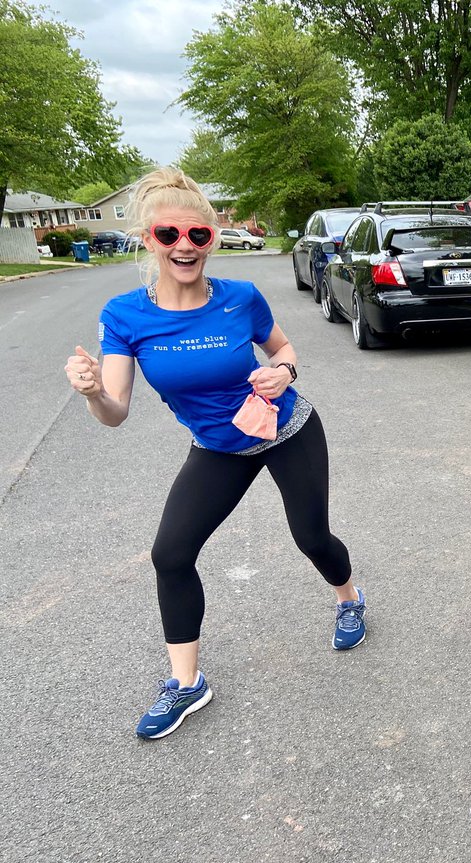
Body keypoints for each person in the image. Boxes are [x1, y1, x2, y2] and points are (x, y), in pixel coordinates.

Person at [63, 167, 366, 741]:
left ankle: (349, 599)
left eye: (197, 234)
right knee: (171, 554)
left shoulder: (240, 298)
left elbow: (283, 348)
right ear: (149, 240)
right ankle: (186, 683)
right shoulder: (124, 316)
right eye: (168, 234)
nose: (184, 245)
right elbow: (115, 411)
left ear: (212, 239)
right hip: (218, 447)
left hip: (286, 429)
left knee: (311, 537)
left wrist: (283, 371)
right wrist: (93, 392)